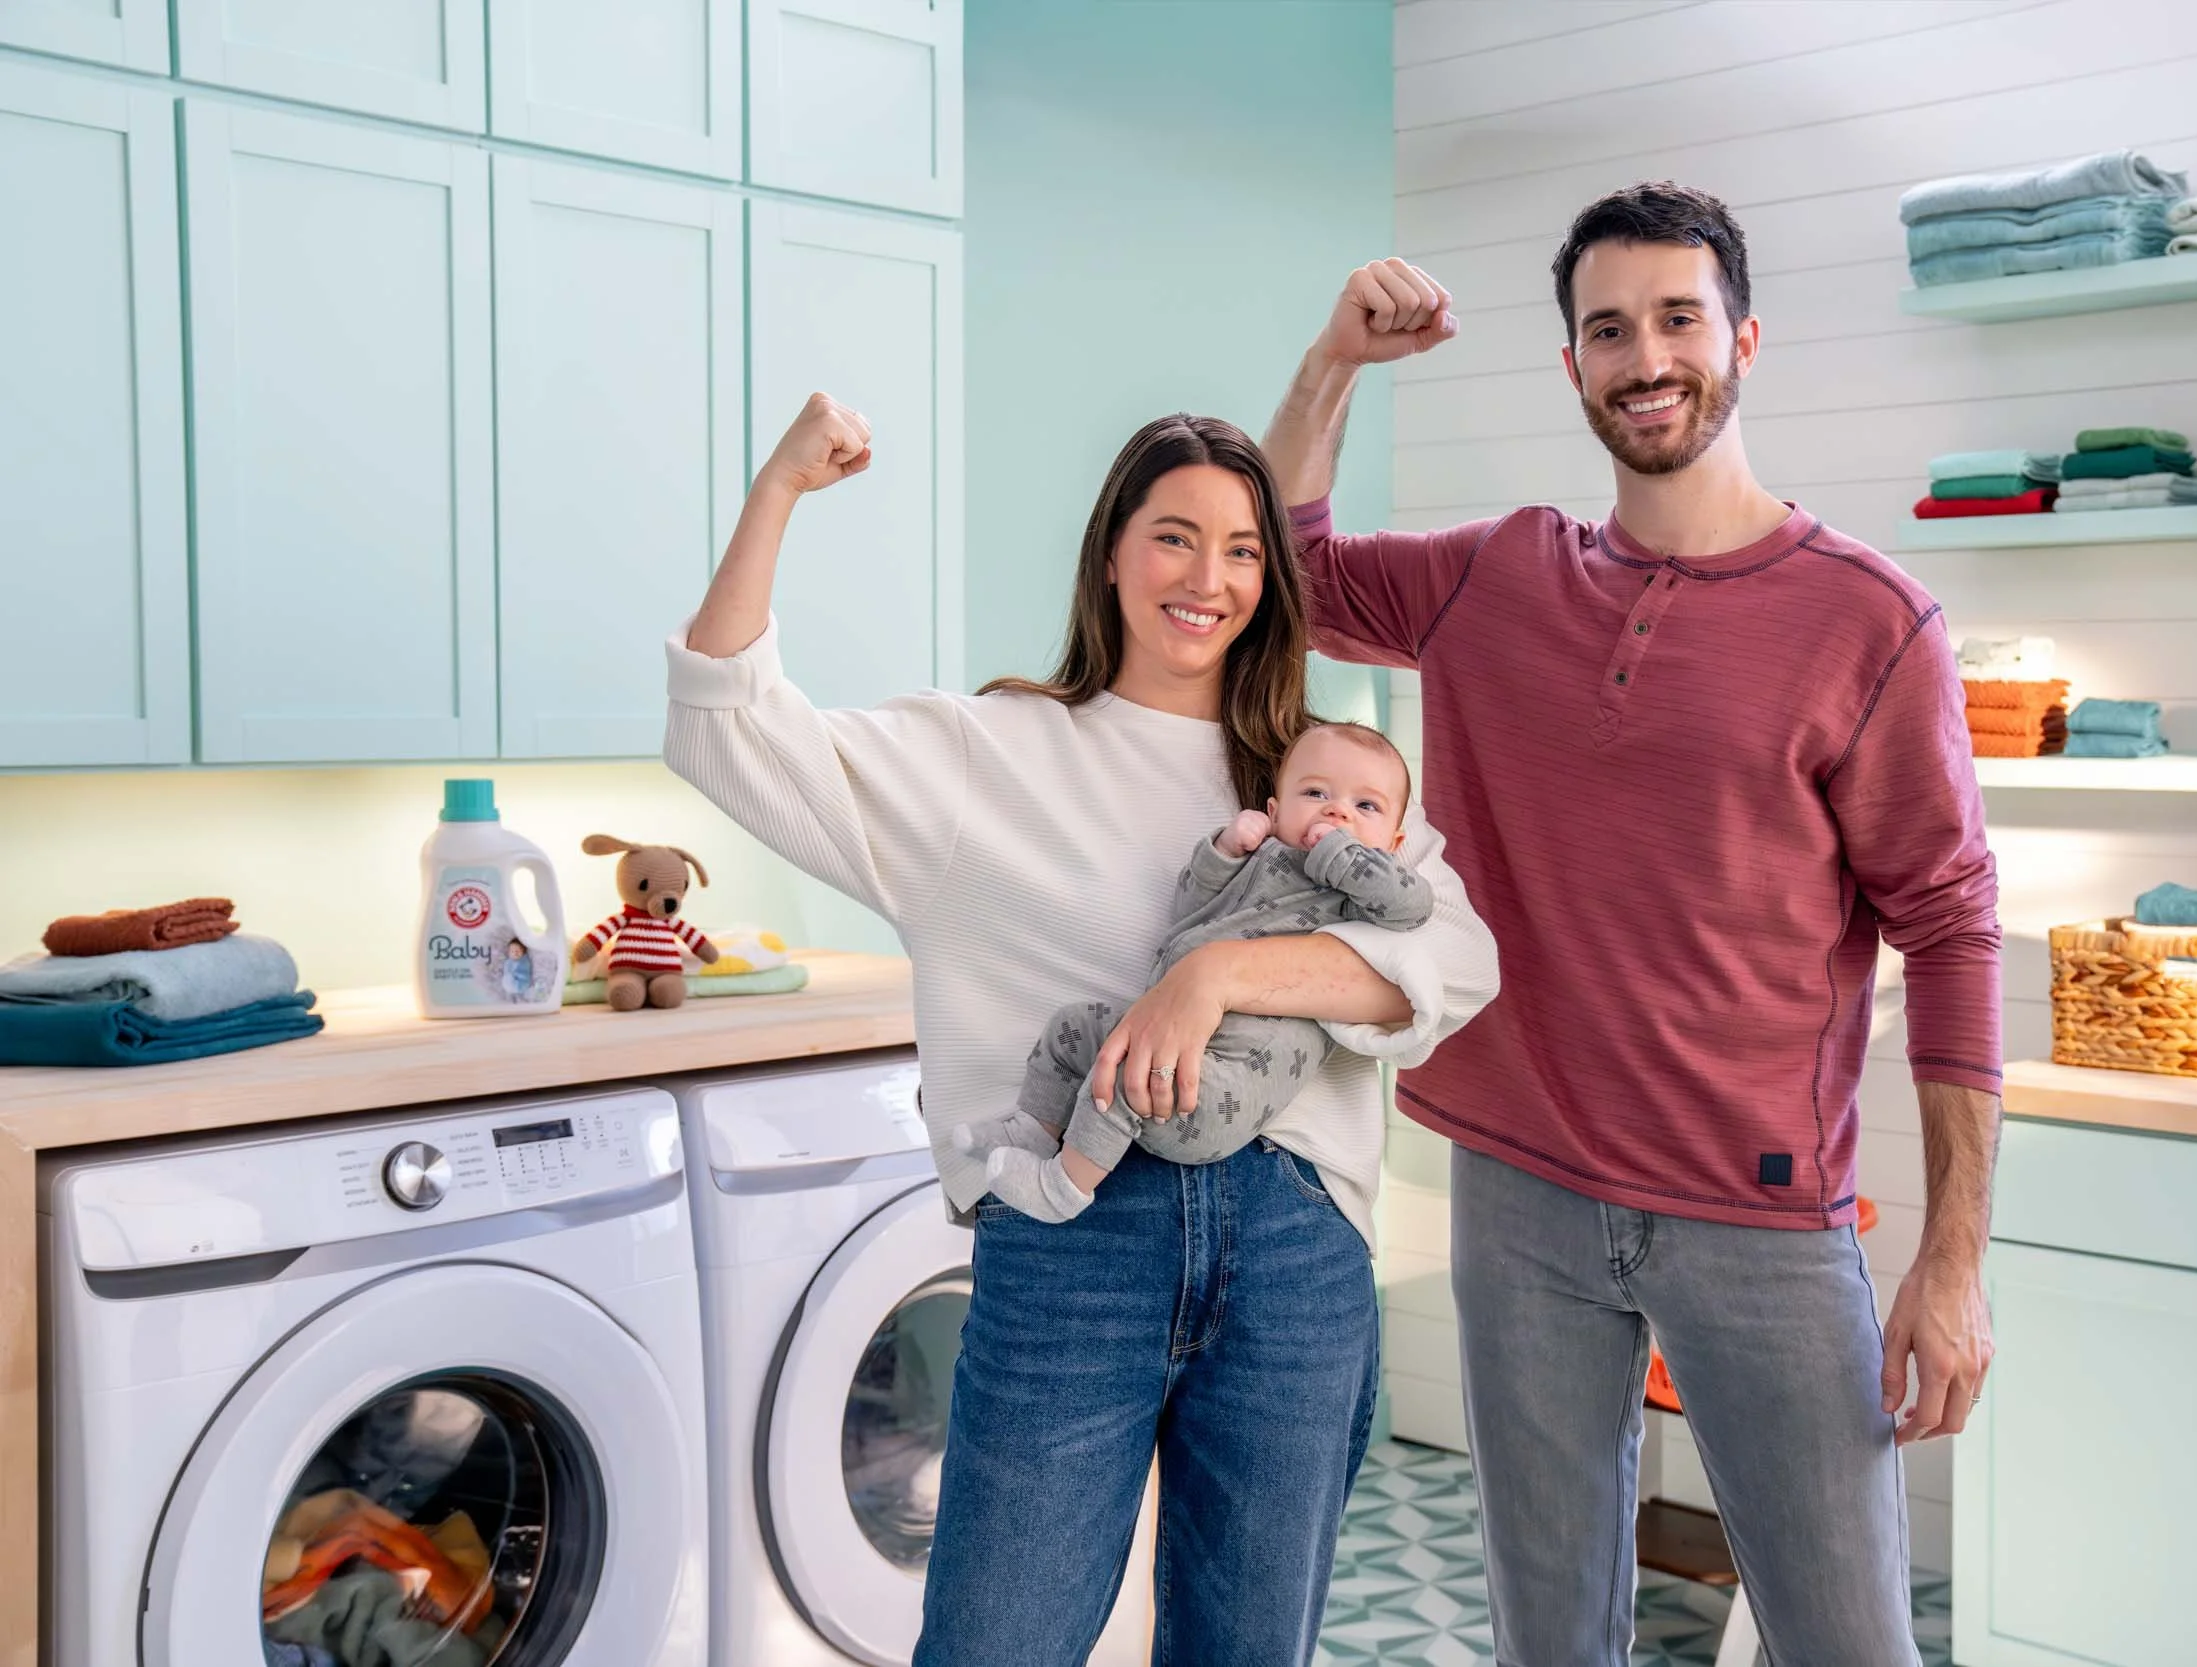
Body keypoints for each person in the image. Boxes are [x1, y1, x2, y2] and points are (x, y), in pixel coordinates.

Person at [1263, 181, 2002, 1663]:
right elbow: (1291, 571)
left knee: (1848, 1635)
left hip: (1764, 1214)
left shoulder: (1873, 620)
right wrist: (1333, 358)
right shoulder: (1495, 574)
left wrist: (1954, 1257)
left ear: (1743, 337)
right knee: (1551, 1633)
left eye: (1677, 318)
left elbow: (1951, 922)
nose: (1645, 356)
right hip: (1520, 1191)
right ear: (1573, 366)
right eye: (1610, 329)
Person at [664, 397, 1498, 1663]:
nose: (1205, 578)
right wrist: (776, 488)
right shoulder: (980, 754)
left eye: (1241, 550)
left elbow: (1452, 959)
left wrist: (1217, 974)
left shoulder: (1315, 779)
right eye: (1173, 536)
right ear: (1111, 550)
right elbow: (727, 730)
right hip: (1073, 1241)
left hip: (1292, 1250)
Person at [961, 720, 1433, 1221]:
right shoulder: (1265, 856)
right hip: (1169, 1030)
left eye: (1366, 807)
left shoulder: (1362, 888)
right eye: (1315, 792)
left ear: (1393, 840)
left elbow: (1412, 906)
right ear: (1275, 810)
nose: (1336, 811)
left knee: (1130, 1074)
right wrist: (1225, 852)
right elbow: (1189, 910)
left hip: (1224, 1086)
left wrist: (1341, 852)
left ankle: (1062, 1190)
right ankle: (1030, 1132)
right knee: (1075, 1026)